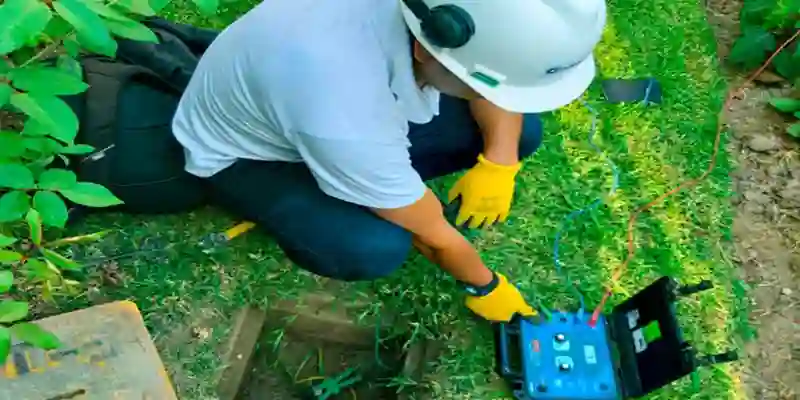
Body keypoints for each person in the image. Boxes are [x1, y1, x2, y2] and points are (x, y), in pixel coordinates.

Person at [171, 0, 607, 322]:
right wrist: (486, 285)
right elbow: (434, 236)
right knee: (374, 246)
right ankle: (318, 203)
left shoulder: (433, 13)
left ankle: (367, 183)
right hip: (250, 156)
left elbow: (498, 83)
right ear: (427, 50)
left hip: (313, 108)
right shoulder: (342, 110)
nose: (499, 100)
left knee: (516, 133)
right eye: (488, 87)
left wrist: (499, 163)